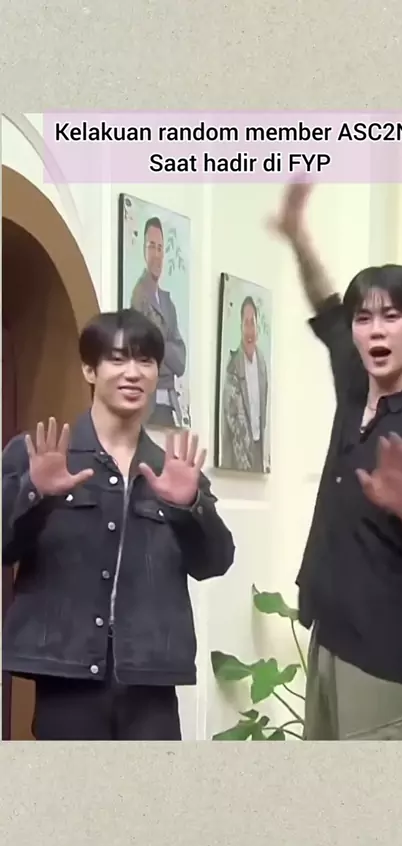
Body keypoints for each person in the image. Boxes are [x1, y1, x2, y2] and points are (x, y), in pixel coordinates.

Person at [268, 183, 402, 741]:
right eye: (365, 319)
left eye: (391, 317)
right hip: (329, 629)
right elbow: (325, 303)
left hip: (383, 647)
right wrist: (296, 234)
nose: (375, 329)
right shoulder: (356, 385)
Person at [2, 308, 235, 741]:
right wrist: (34, 492)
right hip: (66, 676)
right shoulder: (40, 455)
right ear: (89, 370)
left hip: (149, 679)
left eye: (145, 360)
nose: (133, 372)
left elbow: (215, 562)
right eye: (117, 358)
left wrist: (189, 506)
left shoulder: (171, 468)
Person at [130, 216, 187, 427]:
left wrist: (164, 349)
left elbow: (180, 362)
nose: (156, 255)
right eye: (152, 247)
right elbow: (148, 351)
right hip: (148, 408)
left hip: (169, 407)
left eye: (160, 248)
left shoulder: (167, 302)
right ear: (144, 252)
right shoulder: (139, 296)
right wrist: (166, 347)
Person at [221, 296, 269, 473]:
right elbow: (235, 422)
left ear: (258, 327)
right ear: (241, 327)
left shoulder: (262, 363)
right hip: (239, 456)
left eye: (252, 323)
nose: (250, 330)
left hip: (258, 449)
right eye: (246, 323)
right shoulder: (233, 365)